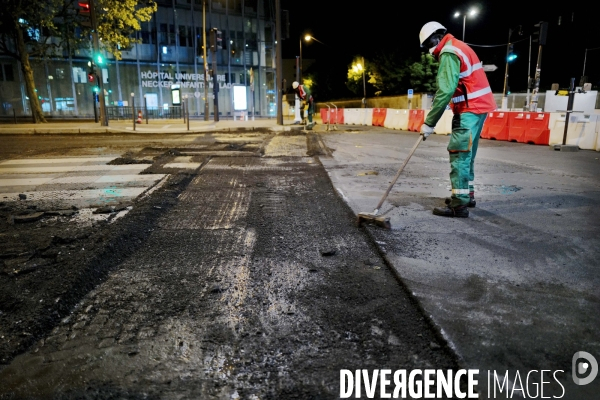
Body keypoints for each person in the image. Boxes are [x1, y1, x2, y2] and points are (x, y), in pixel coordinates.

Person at [418, 21, 497, 218]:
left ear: (436, 38)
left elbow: (445, 89)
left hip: (469, 110)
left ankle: (458, 205)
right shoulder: (461, 46)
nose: (429, 50)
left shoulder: (448, 52)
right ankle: (466, 195)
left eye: (428, 44)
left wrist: (429, 122)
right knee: (468, 154)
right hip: (479, 109)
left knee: (460, 155)